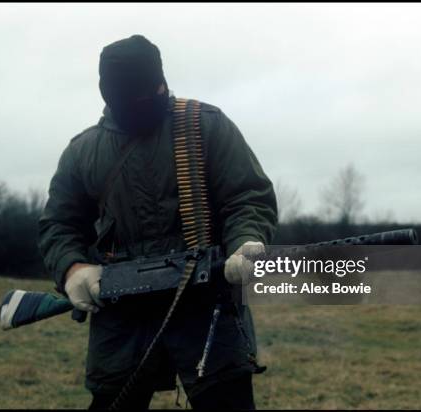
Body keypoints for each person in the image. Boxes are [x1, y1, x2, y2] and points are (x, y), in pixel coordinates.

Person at [38, 34, 277, 410]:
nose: (145, 104)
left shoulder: (204, 126)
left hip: (206, 303)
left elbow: (246, 197)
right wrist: (73, 268)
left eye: (154, 91)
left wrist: (246, 243)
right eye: (131, 100)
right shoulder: (84, 152)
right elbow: (59, 224)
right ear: (108, 97)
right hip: (123, 318)